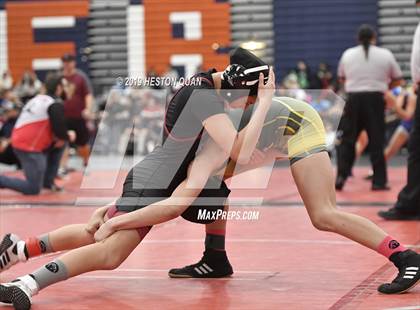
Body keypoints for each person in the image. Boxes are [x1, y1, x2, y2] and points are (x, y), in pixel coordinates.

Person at [2, 92, 420, 310]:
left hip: (295, 125)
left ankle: (405, 256)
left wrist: (115, 217)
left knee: (323, 214)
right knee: (205, 193)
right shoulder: (188, 153)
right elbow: (166, 198)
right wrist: (115, 212)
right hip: (230, 147)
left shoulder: (204, 150)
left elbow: (169, 203)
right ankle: (215, 258)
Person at [0, 47, 276, 309]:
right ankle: (27, 283)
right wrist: (264, 101)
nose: (247, 105)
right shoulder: (203, 96)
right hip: (154, 183)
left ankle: (20, 249)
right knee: (110, 252)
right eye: (249, 98)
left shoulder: (207, 87)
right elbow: (239, 151)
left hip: (161, 178)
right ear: (238, 84)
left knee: (96, 230)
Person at [335, 24, 403, 191]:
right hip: (375, 100)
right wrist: (383, 85)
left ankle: (341, 177)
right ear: (374, 38)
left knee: (348, 141)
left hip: (354, 100)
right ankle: (379, 182)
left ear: (358, 39)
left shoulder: (348, 54)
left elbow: (342, 78)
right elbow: (398, 79)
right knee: (376, 141)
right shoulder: (385, 54)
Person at [379, 0, 420, 220]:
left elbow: (406, 115)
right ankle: (411, 202)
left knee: (415, 150)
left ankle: (410, 203)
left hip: (409, 112)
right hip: (414, 96)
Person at [0, 74, 73, 194]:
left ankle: (47, 182)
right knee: (33, 189)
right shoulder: (54, 103)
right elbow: (60, 131)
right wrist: (69, 135)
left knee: (61, 143)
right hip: (27, 147)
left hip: (22, 142)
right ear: (59, 88)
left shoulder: (37, 99)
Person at [60, 53, 94, 173]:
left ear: (74, 62)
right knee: (63, 142)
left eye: (69, 62)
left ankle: (85, 164)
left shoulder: (80, 77)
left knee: (83, 143)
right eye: (65, 62)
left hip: (78, 116)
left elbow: (88, 94)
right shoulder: (59, 78)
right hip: (63, 116)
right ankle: (63, 167)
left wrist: (88, 109)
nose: (67, 64)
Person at [0, 102, 20, 167]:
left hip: (17, 151)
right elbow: (2, 134)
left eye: (10, 111)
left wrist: (9, 141)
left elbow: (23, 137)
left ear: (16, 111)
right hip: (5, 150)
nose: (7, 113)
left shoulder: (20, 122)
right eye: (7, 111)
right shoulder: (7, 122)